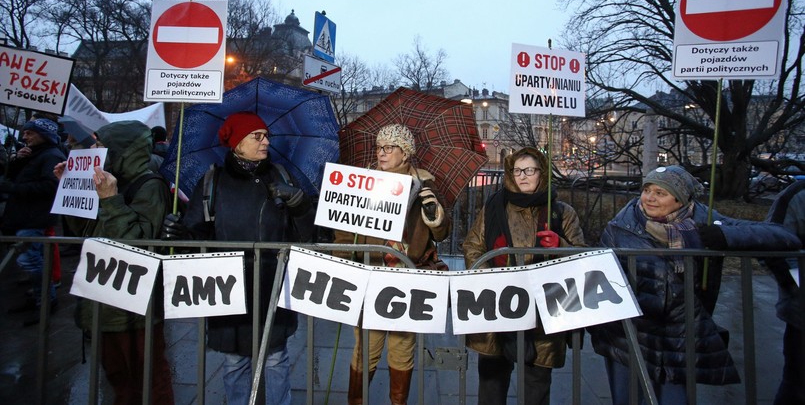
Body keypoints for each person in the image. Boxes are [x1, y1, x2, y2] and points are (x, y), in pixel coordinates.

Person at [588, 165, 801, 405]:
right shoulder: (621, 226)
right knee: (629, 399)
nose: (650, 198)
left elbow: (782, 236)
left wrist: (724, 237)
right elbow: (599, 277)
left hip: (677, 339)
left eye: (661, 193)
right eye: (647, 190)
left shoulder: (705, 221)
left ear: (680, 199)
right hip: (629, 336)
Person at [161, 111, 315, 405]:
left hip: (273, 283)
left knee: (276, 359)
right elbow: (195, 239)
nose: (266, 141)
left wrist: (299, 204)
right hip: (229, 289)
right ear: (237, 142)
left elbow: (307, 235)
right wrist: (178, 232)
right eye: (257, 136)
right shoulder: (212, 181)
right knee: (235, 363)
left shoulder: (281, 175)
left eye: (266, 135)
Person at [55, 120, 175, 405]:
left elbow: (137, 241)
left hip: (135, 301)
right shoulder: (106, 180)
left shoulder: (149, 185)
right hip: (103, 294)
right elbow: (79, 229)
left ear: (123, 150)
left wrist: (110, 201)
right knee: (118, 377)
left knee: (149, 377)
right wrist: (69, 189)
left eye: (101, 146)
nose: (95, 151)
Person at [333, 123, 451, 405]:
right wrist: (342, 265)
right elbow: (344, 231)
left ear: (405, 152)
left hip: (407, 279)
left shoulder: (425, 184)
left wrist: (434, 214)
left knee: (402, 347)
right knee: (367, 347)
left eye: (389, 148)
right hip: (371, 278)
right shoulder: (362, 183)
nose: (381, 153)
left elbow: (442, 233)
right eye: (379, 147)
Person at [461, 147, 587, 405]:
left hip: (543, 313)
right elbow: (473, 246)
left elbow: (582, 257)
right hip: (497, 307)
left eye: (530, 170)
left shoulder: (561, 212)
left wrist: (561, 246)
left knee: (536, 386)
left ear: (541, 172)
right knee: (491, 384)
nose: (523, 176)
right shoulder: (494, 207)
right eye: (518, 170)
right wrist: (488, 280)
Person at [1, 117, 66, 314]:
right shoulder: (34, 154)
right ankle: (40, 297)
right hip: (25, 215)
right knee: (30, 259)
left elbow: (49, 186)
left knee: (30, 261)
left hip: (34, 216)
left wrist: (13, 188)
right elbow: (15, 175)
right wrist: (18, 161)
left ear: (42, 135)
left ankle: (45, 301)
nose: (24, 136)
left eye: (30, 133)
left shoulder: (51, 156)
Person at [764, 179, 805, 405]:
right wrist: (794, 284)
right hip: (801, 316)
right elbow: (772, 243)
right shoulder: (797, 196)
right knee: (797, 388)